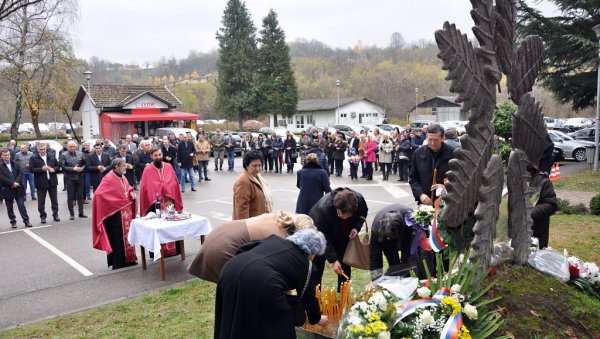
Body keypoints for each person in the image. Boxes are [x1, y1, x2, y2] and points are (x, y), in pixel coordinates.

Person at [214, 229, 328, 338]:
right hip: (260, 282)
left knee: (234, 316)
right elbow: (309, 298)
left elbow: (243, 248)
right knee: (277, 322)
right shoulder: (306, 265)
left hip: (231, 268)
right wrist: (316, 318)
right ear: (312, 253)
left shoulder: (274, 239)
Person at [188, 211, 315, 283]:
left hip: (221, 232)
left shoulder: (283, 218)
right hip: (224, 248)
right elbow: (276, 274)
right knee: (241, 291)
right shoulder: (282, 239)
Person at [309, 187, 368, 290]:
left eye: (347, 216)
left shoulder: (359, 200)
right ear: (336, 207)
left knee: (344, 264)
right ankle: (315, 296)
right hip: (320, 236)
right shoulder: (322, 210)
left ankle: (344, 295)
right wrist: (333, 260)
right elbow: (323, 237)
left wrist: (356, 227)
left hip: (342, 235)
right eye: (340, 214)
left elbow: (363, 213)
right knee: (317, 268)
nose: (343, 218)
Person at [92, 158, 138, 270]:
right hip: (114, 215)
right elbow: (98, 194)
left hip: (125, 213)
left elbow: (128, 189)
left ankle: (129, 259)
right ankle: (118, 262)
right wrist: (113, 203)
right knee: (117, 238)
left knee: (127, 236)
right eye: (123, 165)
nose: (125, 167)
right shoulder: (108, 178)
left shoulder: (122, 176)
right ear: (116, 167)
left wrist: (132, 195)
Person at [139, 147, 184, 257]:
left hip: (169, 201)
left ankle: (174, 250)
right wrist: (159, 188)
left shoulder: (168, 166)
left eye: (160, 155)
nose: (158, 157)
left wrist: (167, 187)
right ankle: (159, 252)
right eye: (156, 155)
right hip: (155, 203)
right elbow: (145, 188)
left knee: (172, 224)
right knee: (158, 226)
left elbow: (174, 182)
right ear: (151, 156)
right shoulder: (148, 169)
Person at [409, 124, 453, 206]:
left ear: (443, 138)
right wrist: (420, 194)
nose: (432, 143)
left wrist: (446, 187)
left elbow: (459, 179)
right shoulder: (418, 153)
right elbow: (413, 178)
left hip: (446, 203)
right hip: (425, 202)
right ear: (426, 137)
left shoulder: (452, 154)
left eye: (436, 140)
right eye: (430, 139)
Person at [369, 204, 413, 280]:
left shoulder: (409, 219)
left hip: (405, 235)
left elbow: (409, 250)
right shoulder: (376, 229)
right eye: (388, 236)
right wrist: (376, 280)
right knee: (394, 265)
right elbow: (375, 257)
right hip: (386, 241)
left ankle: (405, 281)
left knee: (406, 262)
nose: (389, 238)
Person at [232, 151, 273, 220]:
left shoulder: (258, 177)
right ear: (246, 166)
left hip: (259, 222)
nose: (257, 169)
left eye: (259, 165)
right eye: (254, 166)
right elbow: (242, 209)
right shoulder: (244, 181)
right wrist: (245, 228)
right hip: (251, 226)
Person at [0, 148, 31, 228]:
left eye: (8, 155)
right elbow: (1, 177)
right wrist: (12, 183)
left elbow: (21, 173)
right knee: (9, 207)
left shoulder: (16, 163)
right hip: (7, 189)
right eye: (5, 155)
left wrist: (16, 182)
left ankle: (26, 220)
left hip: (18, 188)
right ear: (2, 156)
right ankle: (13, 221)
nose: (7, 157)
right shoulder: (0, 166)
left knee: (21, 206)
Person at [30, 144, 60, 223]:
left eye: (44, 149)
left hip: (52, 181)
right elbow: (32, 169)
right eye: (40, 149)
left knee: (54, 200)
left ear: (46, 149)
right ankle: (43, 216)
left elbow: (58, 166)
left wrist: (53, 169)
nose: (42, 151)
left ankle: (55, 215)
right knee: (41, 202)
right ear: (38, 149)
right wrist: (41, 169)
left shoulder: (52, 156)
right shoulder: (33, 157)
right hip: (41, 183)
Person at [529, 165, 558, 249]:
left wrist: (529, 213)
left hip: (535, 233)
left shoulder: (542, 181)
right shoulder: (510, 179)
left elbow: (551, 204)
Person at [60, 141, 87, 220]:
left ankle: (81, 213)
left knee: (80, 196)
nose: (72, 148)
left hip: (80, 177)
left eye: (73, 147)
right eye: (70, 147)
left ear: (76, 147)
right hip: (70, 178)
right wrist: (73, 169)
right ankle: (72, 214)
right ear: (67, 147)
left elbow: (85, 163)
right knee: (71, 197)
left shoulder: (81, 154)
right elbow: (63, 166)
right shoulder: (63, 155)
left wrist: (82, 168)